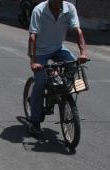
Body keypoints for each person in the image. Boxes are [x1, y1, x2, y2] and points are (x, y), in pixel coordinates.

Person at [28, 0, 88, 135]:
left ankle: (61, 90)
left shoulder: (70, 8)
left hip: (58, 48)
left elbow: (77, 31)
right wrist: (33, 61)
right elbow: (33, 37)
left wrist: (83, 52)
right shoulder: (39, 10)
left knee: (73, 64)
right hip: (40, 52)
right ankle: (35, 122)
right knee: (40, 83)